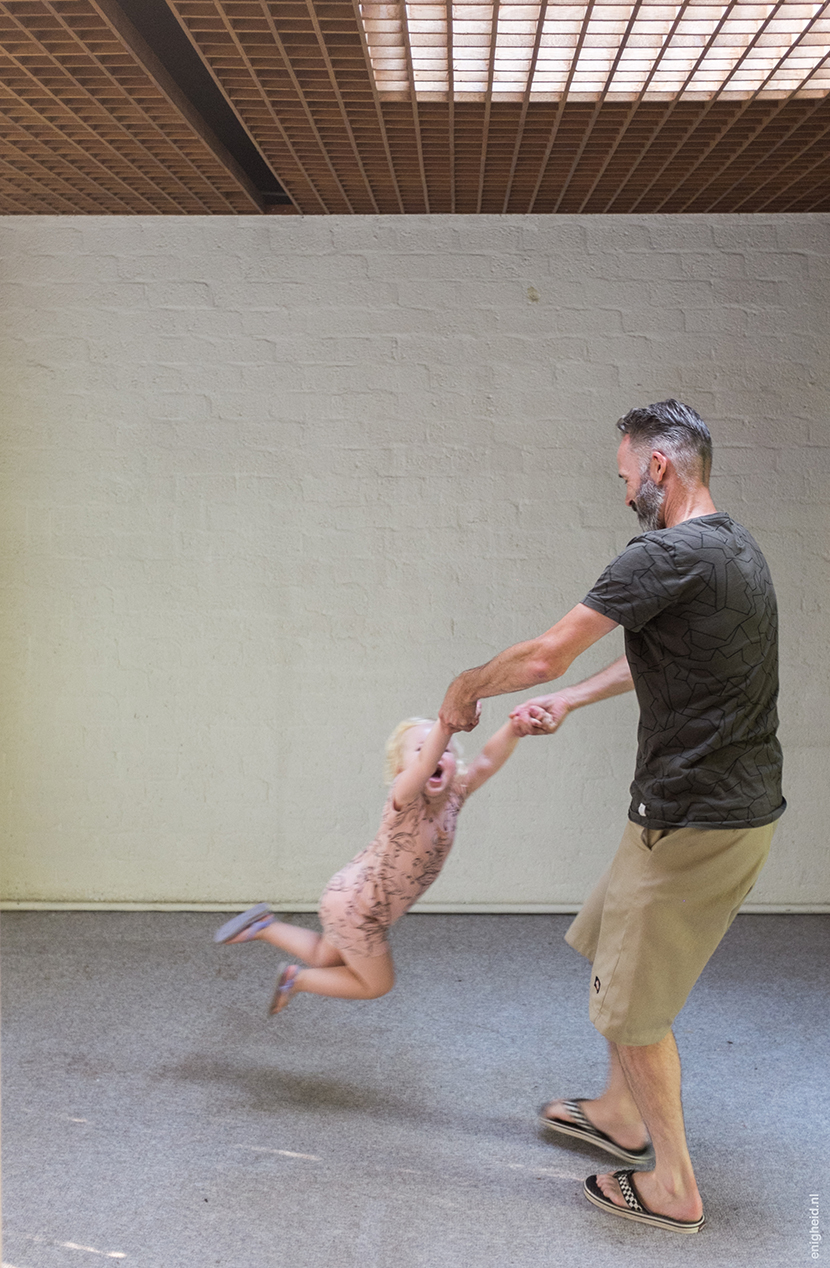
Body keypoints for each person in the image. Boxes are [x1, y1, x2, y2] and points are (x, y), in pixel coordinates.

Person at [439, 399, 784, 1235]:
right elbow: (652, 659)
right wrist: (572, 699)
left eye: (626, 472)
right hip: (717, 809)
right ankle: (619, 1115)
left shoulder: (660, 554)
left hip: (690, 822)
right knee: (607, 938)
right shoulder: (734, 549)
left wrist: (466, 688)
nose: (624, 486)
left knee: (632, 1009)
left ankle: (673, 1186)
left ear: (659, 467)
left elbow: (543, 651)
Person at [214, 707, 552, 1014]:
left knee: (326, 956)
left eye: (446, 751)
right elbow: (423, 767)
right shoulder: (405, 797)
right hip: (361, 909)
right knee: (377, 984)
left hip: (349, 896)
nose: (437, 754)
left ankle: (263, 927)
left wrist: (513, 730)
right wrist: (446, 728)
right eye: (422, 749)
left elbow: (486, 762)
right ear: (400, 768)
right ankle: (296, 980)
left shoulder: (454, 796)